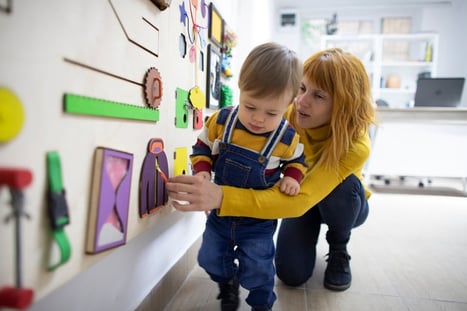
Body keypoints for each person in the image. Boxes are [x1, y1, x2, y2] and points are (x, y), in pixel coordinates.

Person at [167, 47, 375, 293]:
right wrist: (207, 173)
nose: (302, 101)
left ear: (343, 104)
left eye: (319, 96)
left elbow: (298, 202)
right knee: (291, 275)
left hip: (342, 205)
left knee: (345, 188)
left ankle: (339, 247)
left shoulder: (357, 145)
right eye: (302, 88)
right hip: (298, 196)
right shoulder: (283, 115)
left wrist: (221, 197)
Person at [191, 42, 306, 311]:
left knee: (258, 268)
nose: (258, 119)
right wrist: (203, 171)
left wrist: (292, 178)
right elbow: (202, 146)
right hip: (220, 216)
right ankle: (227, 283)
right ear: (241, 89)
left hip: (258, 222)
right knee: (208, 258)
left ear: (289, 104)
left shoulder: (286, 138)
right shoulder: (221, 121)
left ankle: (261, 303)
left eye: (271, 113)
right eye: (250, 106)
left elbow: (297, 162)